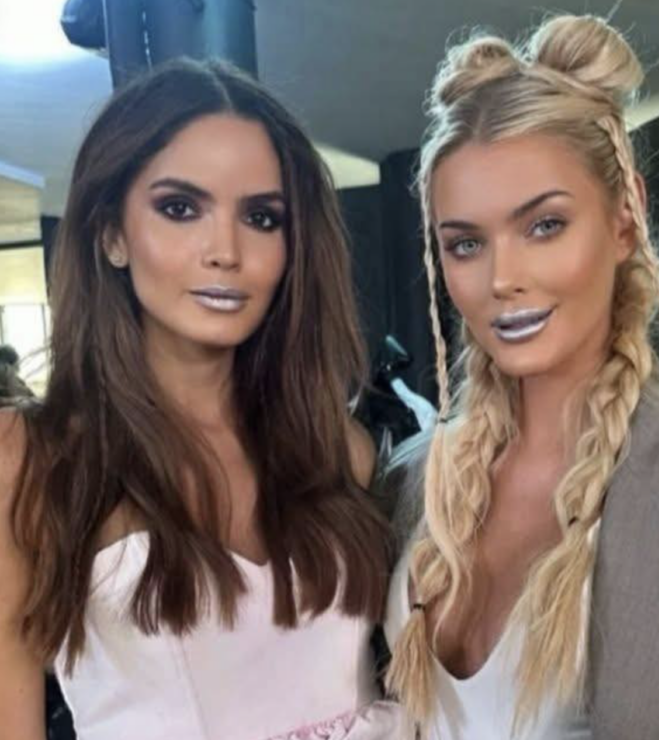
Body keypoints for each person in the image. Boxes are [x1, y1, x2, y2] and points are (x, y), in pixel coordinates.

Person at [0, 58, 406, 740]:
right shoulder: (26, 459)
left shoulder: (340, 447)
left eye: (261, 217)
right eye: (180, 208)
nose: (225, 250)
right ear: (111, 233)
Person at [382, 14, 659, 740]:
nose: (503, 278)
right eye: (466, 244)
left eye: (545, 225)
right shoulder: (412, 478)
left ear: (625, 220)